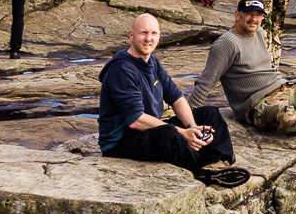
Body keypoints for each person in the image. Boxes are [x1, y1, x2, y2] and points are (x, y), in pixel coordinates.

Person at [97, 14, 239, 178]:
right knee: (168, 135)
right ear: (131, 35)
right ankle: (202, 170)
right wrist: (183, 133)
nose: (148, 39)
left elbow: (176, 98)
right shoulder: (121, 69)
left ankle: (218, 163)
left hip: (146, 132)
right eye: (143, 33)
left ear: (159, 36)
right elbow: (136, 120)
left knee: (210, 114)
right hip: (121, 142)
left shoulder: (152, 63)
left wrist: (191, 126)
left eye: (153, 34)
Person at [191, 0, 296, 139]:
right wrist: (186, 117)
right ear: (237, 15)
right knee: (288, 117)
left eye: (258, 15)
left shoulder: (259, 32)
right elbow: (205, 82)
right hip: (257, 105)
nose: (254, 19)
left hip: (283, 89)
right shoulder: (227, 43)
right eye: (249, 14)